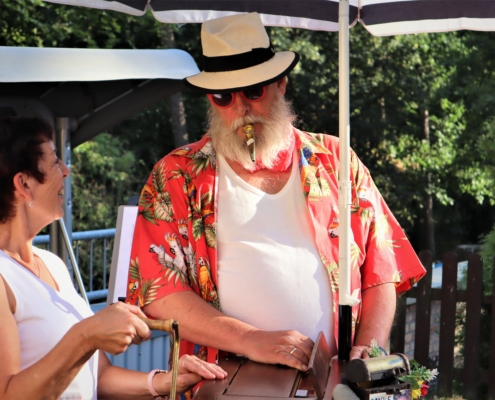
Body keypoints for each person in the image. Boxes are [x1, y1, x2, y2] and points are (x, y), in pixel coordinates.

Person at [126, 12, 426, 374]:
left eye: (253, 91)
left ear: (281, 83)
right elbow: (160, 293)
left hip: (334, 381)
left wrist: (368, 347)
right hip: (223, 382)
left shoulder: (336, 158)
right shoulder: (176, 174)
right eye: (223, 96)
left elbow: (382, 271)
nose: (241, 108)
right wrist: (250, 339)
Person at [0, 116, 227, 400]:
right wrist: (86, 336)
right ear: (24, 183)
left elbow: (99, 375)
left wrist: (164, 381)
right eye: (55, 161)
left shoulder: (52, 264)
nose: (66, 171)